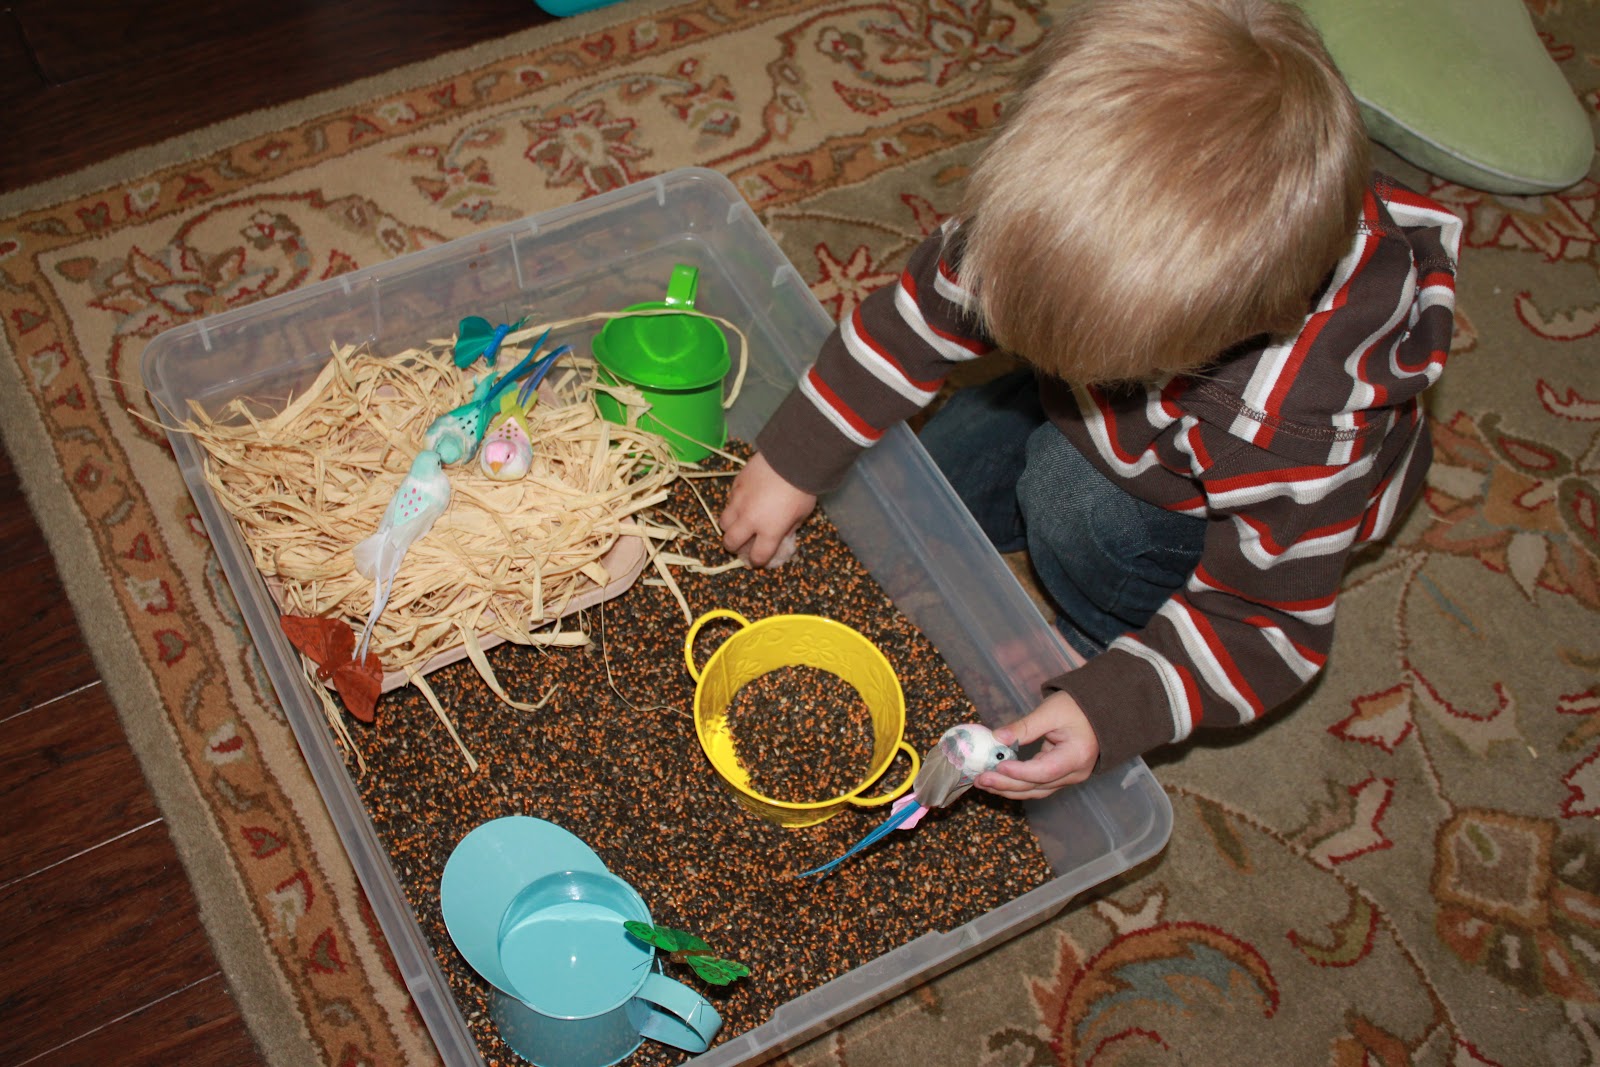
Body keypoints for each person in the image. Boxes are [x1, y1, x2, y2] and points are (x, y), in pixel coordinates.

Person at [719, 0, 1462, 801]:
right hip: (1114, 411)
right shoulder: (1054, 213)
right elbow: (922, 315)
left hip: (1218, 507)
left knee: (1071, 498)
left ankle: (1095, 627)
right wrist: (792, 457)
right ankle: (1061, 420)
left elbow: (1268, 628)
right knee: (927, 468)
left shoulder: (1293, 429)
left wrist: (1109, 704)